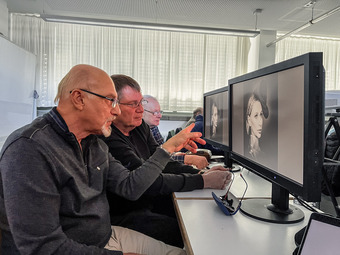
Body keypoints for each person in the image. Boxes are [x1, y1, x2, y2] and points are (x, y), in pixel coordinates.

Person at [0, 64, 208, 255]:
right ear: (79, 99)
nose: (116, 110)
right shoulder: (29, 148)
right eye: (111, 100)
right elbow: (44, 247)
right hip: (80, 247)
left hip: (105, 237)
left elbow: (130, 187)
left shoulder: (94, 142)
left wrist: (167, 150)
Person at [99, 74, 232, 248]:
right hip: (127, 210)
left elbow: (163, 162)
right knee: (186, 231)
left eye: (141, 103)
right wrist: (202, 181)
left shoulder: (140, 127)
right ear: (114, 106)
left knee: (201, 216)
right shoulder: (109, 138)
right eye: (133, 104)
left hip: (148, 200)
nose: (140, 109)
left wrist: (200, 173)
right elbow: (148, 182)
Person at [143, 94, 209, 169]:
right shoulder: (138, 132)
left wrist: (175, 154)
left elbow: (161, 152)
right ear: (141, 112)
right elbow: (154, 160)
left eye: (160, 112)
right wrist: (186, 159)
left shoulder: (153, 127)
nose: (160, 116)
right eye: (155, 112)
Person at [245, 83, 269, 159]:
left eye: (261, 114)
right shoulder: (247, 153)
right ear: (249, 120)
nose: (260, 122)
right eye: (256, 116)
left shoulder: (264, 156)